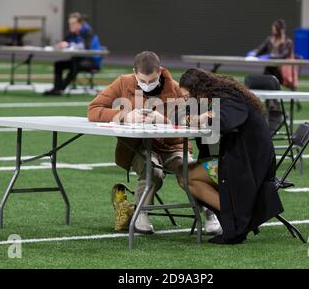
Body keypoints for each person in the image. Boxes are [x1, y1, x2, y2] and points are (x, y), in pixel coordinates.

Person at [88, 51, 221, 234]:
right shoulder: (122, 82)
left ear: (159, 72)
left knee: (190, 170)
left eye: (152, 80)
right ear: (135, 72)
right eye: (143, 81)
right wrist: (125, 116)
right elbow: (94, 109)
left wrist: (165, 120)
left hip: (173, 146)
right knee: (153, 172)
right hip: (136, 147)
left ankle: (210, 213)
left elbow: (187, 120)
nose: (147, 85)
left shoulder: (175, 87)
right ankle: (140, 214)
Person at [178, 68, 284, 244]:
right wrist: (196, 117)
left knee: (186, 177)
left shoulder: (229, 99)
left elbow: (225, 122)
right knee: (185, 176)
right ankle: (235, 217)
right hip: (241, 160)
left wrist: (204, 116)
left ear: (199, 90)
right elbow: (181, 116)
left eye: (188, 96)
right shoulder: (216, 97)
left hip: (249, 166)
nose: (186, 101)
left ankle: (237, 218)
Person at [44, 12, 101, 96]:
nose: (71, 26)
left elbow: (86, 47)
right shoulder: (72, 32)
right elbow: (63, 42)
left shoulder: (88, 32)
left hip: (91, 61)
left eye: (73, 23)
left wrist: (69, 45)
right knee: (58, 64)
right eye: (70, 24)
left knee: (76, 64)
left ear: (80, 24)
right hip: (79, 59)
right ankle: (56, 89)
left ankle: (60, 88)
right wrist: (60, 45)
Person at [248, 19, 294, 85]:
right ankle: (266, 84)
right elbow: (261, 49)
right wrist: (254, 54)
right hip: (271, 66)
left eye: (274, 29)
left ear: (280, 30)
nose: (273, 30)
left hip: (281, 68)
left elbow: (284, 55)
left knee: (271, 72)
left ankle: (273, 84)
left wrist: (270, 56)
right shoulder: (270, 39)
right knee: (268, 70)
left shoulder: (288, 42)